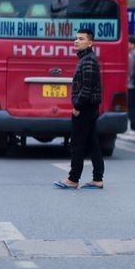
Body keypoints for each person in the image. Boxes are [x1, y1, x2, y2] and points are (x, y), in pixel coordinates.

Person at [54, 28, 105, 190]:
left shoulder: (88, 60)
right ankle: (97, 179)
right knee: (92, 143)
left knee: (77, 144)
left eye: (81, 39)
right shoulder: (86, 58)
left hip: (85, 108)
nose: (76, 41)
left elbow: (87, 87)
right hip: (90, 107)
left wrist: (77, 106)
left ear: (90, 43)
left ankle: (73, 179)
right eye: (76, 38)